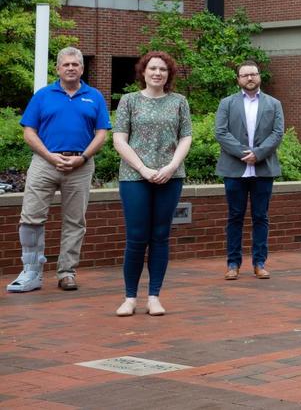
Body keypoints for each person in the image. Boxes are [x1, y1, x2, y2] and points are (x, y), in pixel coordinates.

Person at [7, 47, 110, 293]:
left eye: (76, 64)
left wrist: (83, 157)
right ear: (58, 69)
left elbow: (102, 133)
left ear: (82, 69)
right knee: (31, 218)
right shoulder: (43, 95)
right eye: (66, 64)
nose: (71, 68)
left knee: (75, 221)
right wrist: (50, 157)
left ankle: (67, 273)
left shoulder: (94, 96)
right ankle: (31, 272)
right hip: (44, 163)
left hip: (80, 165)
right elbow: (28, 132)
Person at [111, 52, 193, 316]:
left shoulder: (179, 102)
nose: (157, 73)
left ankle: (154, 296)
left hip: (170, 176)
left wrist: (170, 167)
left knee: (160, 236)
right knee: (136, 238)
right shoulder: (129, 101)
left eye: (163, 69)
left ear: (169, 75)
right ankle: (130, 297)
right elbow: (119, 140)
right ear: (143, 72)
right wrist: (143, 169)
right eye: (153, 68)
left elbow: (185, 138)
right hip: (135, 177)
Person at [215, 60, 285, 280]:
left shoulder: (274, 104)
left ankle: (260, 263)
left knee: (260, 217)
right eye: (244, 75)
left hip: (263, 170)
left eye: (253, 74)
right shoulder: (227, 103)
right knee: (234, 217)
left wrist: (259, 153)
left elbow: (277, 132)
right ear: (238, 79)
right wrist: (245, 153)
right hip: (234, 169)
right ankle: (233, 264)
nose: (249, 78)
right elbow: (221, 132)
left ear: (259, 76)